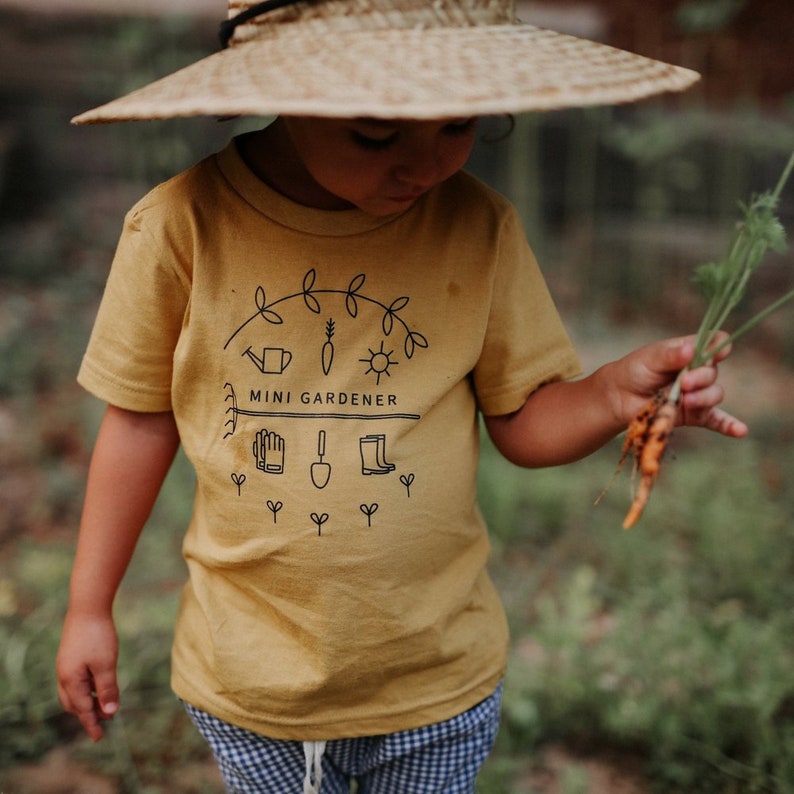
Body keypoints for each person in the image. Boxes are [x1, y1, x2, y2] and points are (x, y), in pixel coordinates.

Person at [56, 1, 748, 792]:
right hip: (252, 679)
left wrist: (609, 395)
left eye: (458, 127)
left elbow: (522, 422)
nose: (425, 165)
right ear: (287, 91)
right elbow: (140, 421)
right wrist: (88, 608)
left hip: (434, 679)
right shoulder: (182, 227)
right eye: (377, 135)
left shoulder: (477, 228)